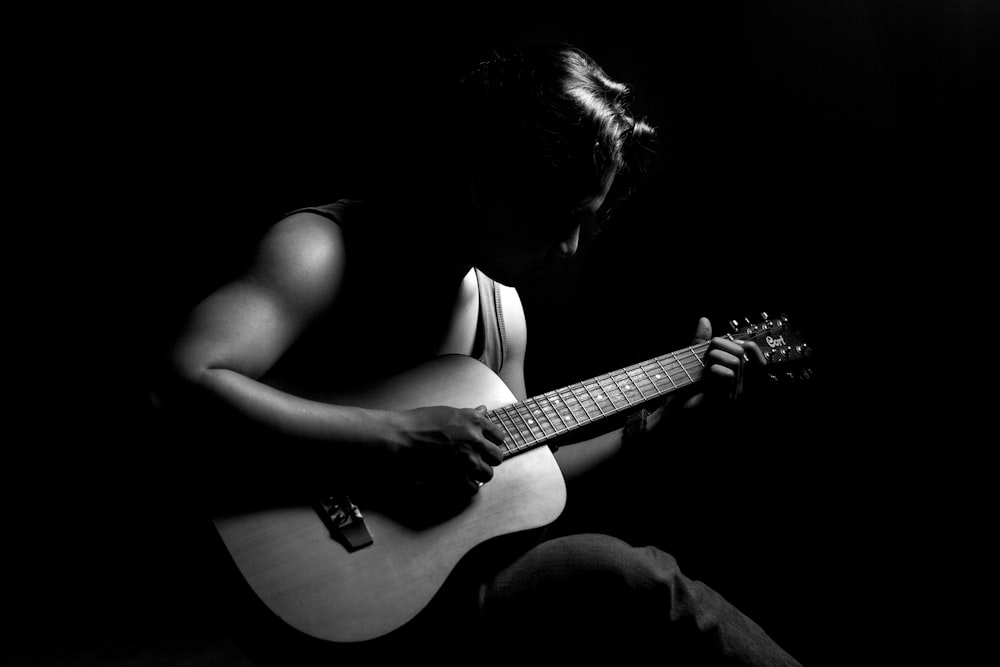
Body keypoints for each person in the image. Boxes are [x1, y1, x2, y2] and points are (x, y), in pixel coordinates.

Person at [158, 45, 802, 665]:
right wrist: (395, 437)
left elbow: (521, 479)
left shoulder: (501, 308)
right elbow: (183, 377)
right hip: (318, 603)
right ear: (482, 183)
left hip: (439, 593)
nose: (573, 246)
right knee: (639, 577)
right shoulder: (322, 253)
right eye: (562, 215)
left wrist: (658, 422)